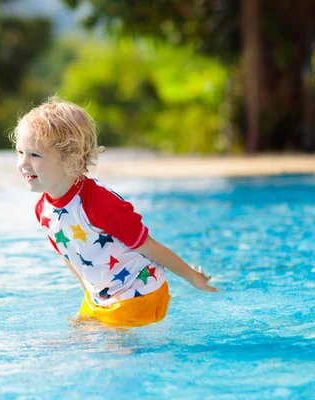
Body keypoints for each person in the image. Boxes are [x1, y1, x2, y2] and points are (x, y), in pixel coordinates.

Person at [11, 97, 217, 327]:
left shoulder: (98, 202)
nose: (22, 163)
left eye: (34, 155)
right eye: (20, 152)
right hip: (103, 297)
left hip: (140, 292)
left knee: (107, 350)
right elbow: (69, 254)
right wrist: (90, 297)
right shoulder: (44, 210)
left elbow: (147, 245)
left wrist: (192, 278)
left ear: (69, 157)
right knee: (75, 338)